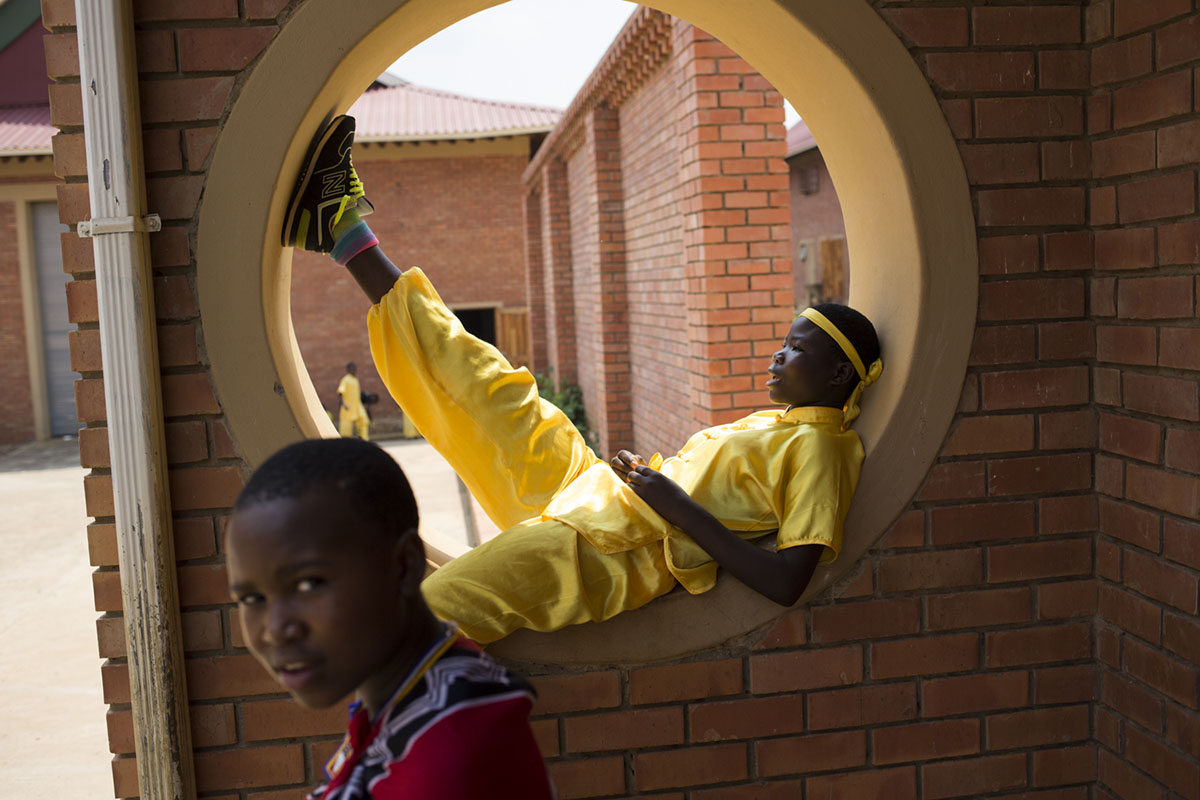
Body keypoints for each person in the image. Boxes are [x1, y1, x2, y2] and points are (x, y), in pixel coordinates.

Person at [283, 115, 882, 645]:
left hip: (614, 549)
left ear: (835, 372)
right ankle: (336, 225)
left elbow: (788, 581)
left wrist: (674, 505)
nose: (777, 358)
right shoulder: (784, 424)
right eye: (782, 344)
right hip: (600, 489)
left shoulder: (825, 450)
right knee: (487, 380)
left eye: (795, 349)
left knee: (439, 604)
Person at [225, 437, 555, 800]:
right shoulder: (410, 701)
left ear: (404, 565)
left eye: (309, 584)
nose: (275, 630)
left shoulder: (450, 755)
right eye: (252, 598)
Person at [336, 362, 370, 440]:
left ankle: (364, 439)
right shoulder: (345, 379)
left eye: (354, 369)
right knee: (346, 428)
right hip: (348, 407)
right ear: (348, 370)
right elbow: (340, 392)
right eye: (351, 369)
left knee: (364, 421)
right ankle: (345, 443)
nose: (353, 370)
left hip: (357, 406)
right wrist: (344, 404)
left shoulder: (355, 379)